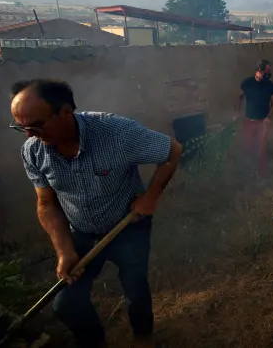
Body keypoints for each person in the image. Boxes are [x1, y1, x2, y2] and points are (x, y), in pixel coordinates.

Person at [10, 79, 183, 348]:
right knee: (66, 304)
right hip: (81, 232)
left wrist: (150, 197)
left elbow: (172, 151)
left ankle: (143, 338)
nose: (29, 135)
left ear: (65, 112)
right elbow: (46, 204)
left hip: (127, 226)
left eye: (36, 125)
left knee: (135, 287)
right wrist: (64, 250)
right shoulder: (33, 151)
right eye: (21, 127)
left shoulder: (116, 132)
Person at [235, 60, 273, 178]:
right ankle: (247, 173)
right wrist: (237, 112)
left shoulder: (270, 85)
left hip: (263, 123)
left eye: (270, 70)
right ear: (259, 69)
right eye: (267, 70)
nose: (269, 73)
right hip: (249, 121)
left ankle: (261, 175)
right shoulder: (247, 83)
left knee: (261, 149)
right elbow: (239, 97)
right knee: (247, 147)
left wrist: (268, 117)